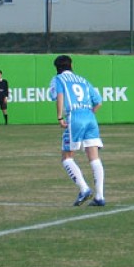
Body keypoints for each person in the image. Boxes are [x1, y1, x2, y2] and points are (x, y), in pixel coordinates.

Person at [49, 55, 106, 206]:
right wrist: (89, 114)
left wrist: (60, 117)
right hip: (90, 117)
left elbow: (58, 96)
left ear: (57, 68)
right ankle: (99, 196)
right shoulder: (82, 80)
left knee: (67, 157)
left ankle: (84, 189)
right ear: (71, 65)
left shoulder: (58, 79)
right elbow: (99, 102)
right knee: (94, 158)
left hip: (75, 117)